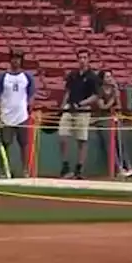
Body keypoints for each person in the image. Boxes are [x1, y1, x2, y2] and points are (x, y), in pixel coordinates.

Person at [0, 48, 35, 178]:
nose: (15, 61)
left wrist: (28, 107)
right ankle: (3, 170)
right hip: (6, 115)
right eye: (13, 58)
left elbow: (31, 94)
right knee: (4, 144)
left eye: (18, 58)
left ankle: (25, 170)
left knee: (24, 144)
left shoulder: (27, 77)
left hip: (21, 115)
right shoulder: (3, 77)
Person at [57, 48, 99, 179]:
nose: (82, 60)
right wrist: (63, 107)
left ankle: (79, 168)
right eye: (80, 57)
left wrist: (81, 104)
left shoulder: (92, 76)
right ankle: (65, 166)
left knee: (82, 139)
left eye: (85, 57)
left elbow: (96, 96)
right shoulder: (73, 75)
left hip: (83, 110)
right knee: (63, 136)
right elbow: (68, 91)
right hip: (70, 108)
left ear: (88, 59)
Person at [93, 69, 132, 178]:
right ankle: (118, 168)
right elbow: (103, 106)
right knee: (110, 144)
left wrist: (116, 96)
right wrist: (113, 100)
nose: (109, 79)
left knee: (121, 142)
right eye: (107, 77)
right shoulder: (99, 91)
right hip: (103, 119)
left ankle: (129, 167)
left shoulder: (114, 90)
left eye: (110, 76)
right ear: (102, 79)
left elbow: (119, 106)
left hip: (114, 118)